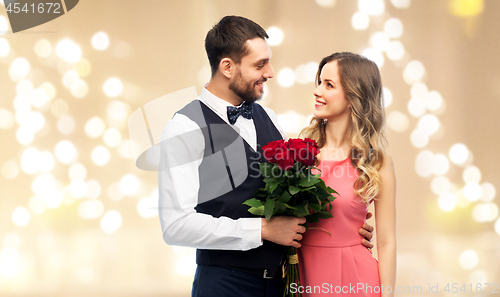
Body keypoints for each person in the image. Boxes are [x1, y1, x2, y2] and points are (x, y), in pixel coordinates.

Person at [158, 17, 375, 297]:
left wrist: (344, 225)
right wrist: (260, 230)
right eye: (259, 65)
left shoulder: (269, 117)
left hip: (280, 283)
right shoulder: (184, 128)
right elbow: (176, 226)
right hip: (223, 285)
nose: (270, 73)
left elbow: (291, 200)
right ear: (227, 67)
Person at [298, 52, 396, 297]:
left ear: (354, 96)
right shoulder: (298, 153)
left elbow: (387, 242)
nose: (317, 91)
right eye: (319, 82)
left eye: (329, 85)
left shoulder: (377, 162)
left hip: (355, 280)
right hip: (300, 274)